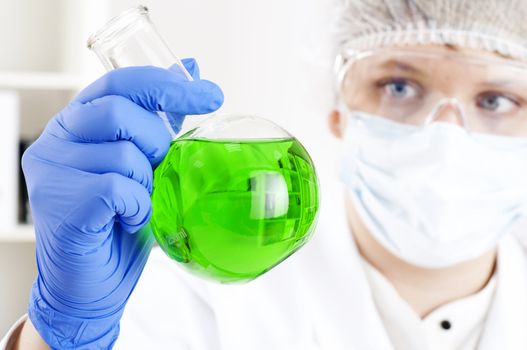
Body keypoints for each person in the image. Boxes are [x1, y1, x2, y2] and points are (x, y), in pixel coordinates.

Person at [4, 0, 527, 348]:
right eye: (399, 87)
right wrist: (61, 333)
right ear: (337, 107)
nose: (444, 135)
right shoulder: (186, 288)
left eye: (497, 97)